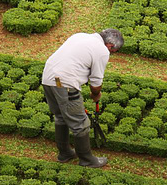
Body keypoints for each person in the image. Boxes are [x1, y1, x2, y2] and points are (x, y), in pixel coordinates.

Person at [42, 28, 123, 168]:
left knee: (60, 117)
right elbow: (96, 82)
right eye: (113, 51)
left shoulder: (80, 35)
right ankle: (86, 159)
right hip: (65, 83)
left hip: (48, 78)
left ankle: (65, 153)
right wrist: (96, 94)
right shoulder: (102, 50)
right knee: (81, 123)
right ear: (110, 45)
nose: (110, 53)